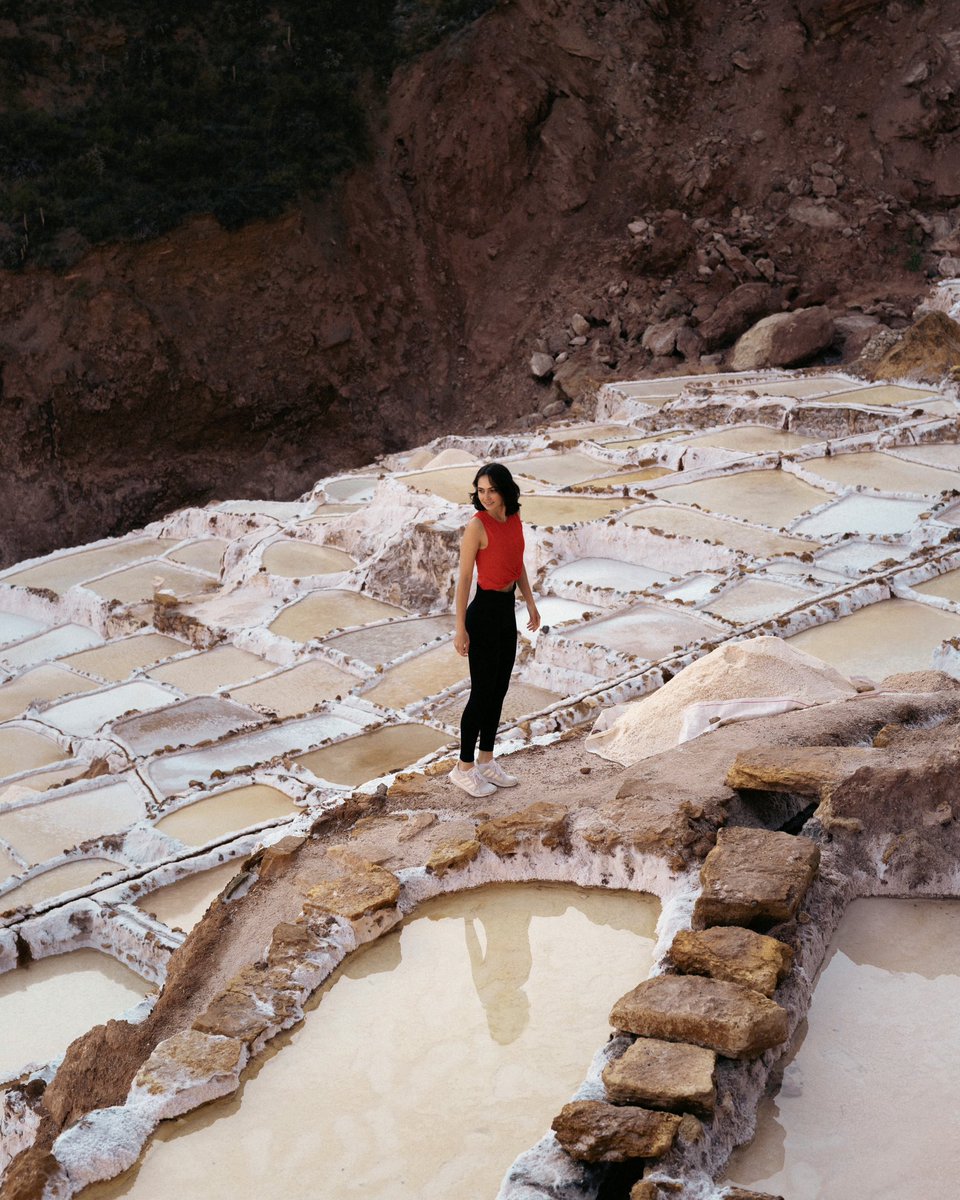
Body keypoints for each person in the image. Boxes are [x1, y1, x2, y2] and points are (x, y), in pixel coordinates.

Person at [450, 462, 540, 797]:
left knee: (500, 688)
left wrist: (530, 603)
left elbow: (517, 566)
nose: (485, 496)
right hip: (483, 612)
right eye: (481, 490)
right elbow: (463, 581)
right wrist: (460, 628)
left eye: (492, 490)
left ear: (505, 490)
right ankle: (463, 767)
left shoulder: (513, 519)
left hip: (506, 611)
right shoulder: (478, 525)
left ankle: (486, 761)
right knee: (481, 693)